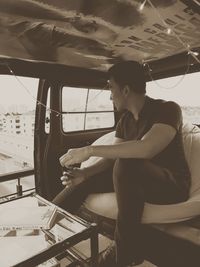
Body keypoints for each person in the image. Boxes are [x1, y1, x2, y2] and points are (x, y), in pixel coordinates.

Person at [53, 60, 191, 267]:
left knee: (128, 164)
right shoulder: (125, 120)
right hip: (136, 181)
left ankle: (123, 256)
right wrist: (86, 173)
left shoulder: (168, 109)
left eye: (111, 88)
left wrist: (89, 150)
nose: (109, 95)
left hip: (170, 185)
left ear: (125, 90)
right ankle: (44, 224)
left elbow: (147, 148)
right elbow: (111, 159)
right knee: (83, 180)